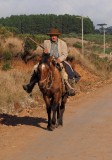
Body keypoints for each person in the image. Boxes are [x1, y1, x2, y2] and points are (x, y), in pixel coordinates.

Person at [23, 28, 75, 96]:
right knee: (36, 67)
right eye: (52, 35)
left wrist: (59, 59)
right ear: (50, 36)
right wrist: (45, 53)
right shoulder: (46, 42)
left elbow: (65, 54)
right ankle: (30, 85)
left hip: (58, 60)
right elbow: (43, 54)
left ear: (57, 36)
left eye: (55, 35)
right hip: (48, 60)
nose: (53, 37)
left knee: (64, 71)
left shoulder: (63, 43)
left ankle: (68, 87)